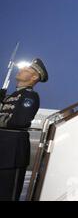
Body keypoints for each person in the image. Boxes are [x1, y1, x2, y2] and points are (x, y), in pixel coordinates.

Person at [0, 58, 48, 200]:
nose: (21, 69)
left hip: (12, 152)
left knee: (6, 195)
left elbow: (20, 120)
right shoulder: (11, 96)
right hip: (3, 148)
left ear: (34, 77)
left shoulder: (30, 96)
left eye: (27, 69)